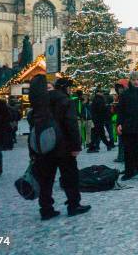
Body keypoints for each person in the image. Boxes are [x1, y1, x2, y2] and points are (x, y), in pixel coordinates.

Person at [29, 75, 91, 220]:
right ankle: (73, 205)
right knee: (70, 177)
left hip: (44, 149)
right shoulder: (65, 101)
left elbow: (34, 128)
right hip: (64, 148)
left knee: (45, 180)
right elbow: (71, 125)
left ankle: (46, 209)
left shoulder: (38, 104)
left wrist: (33, 151)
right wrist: (76, 146)